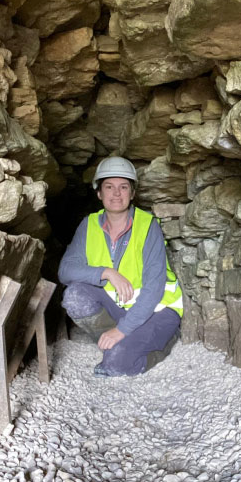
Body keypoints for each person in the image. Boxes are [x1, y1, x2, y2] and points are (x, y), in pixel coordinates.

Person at [58, 156, 183, 377]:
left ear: (132, 193)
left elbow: (154, 290)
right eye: (109, 187)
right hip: (121, 308)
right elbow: (65, 271)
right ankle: (120, 340)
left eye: (123, 187)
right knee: (74, 296)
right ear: (99, 193)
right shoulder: (88, 225)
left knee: (115, 364)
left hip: (158, 310)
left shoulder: (148, 226)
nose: (116, 193)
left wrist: (122, 330)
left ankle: (157, 342)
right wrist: (107, 273)